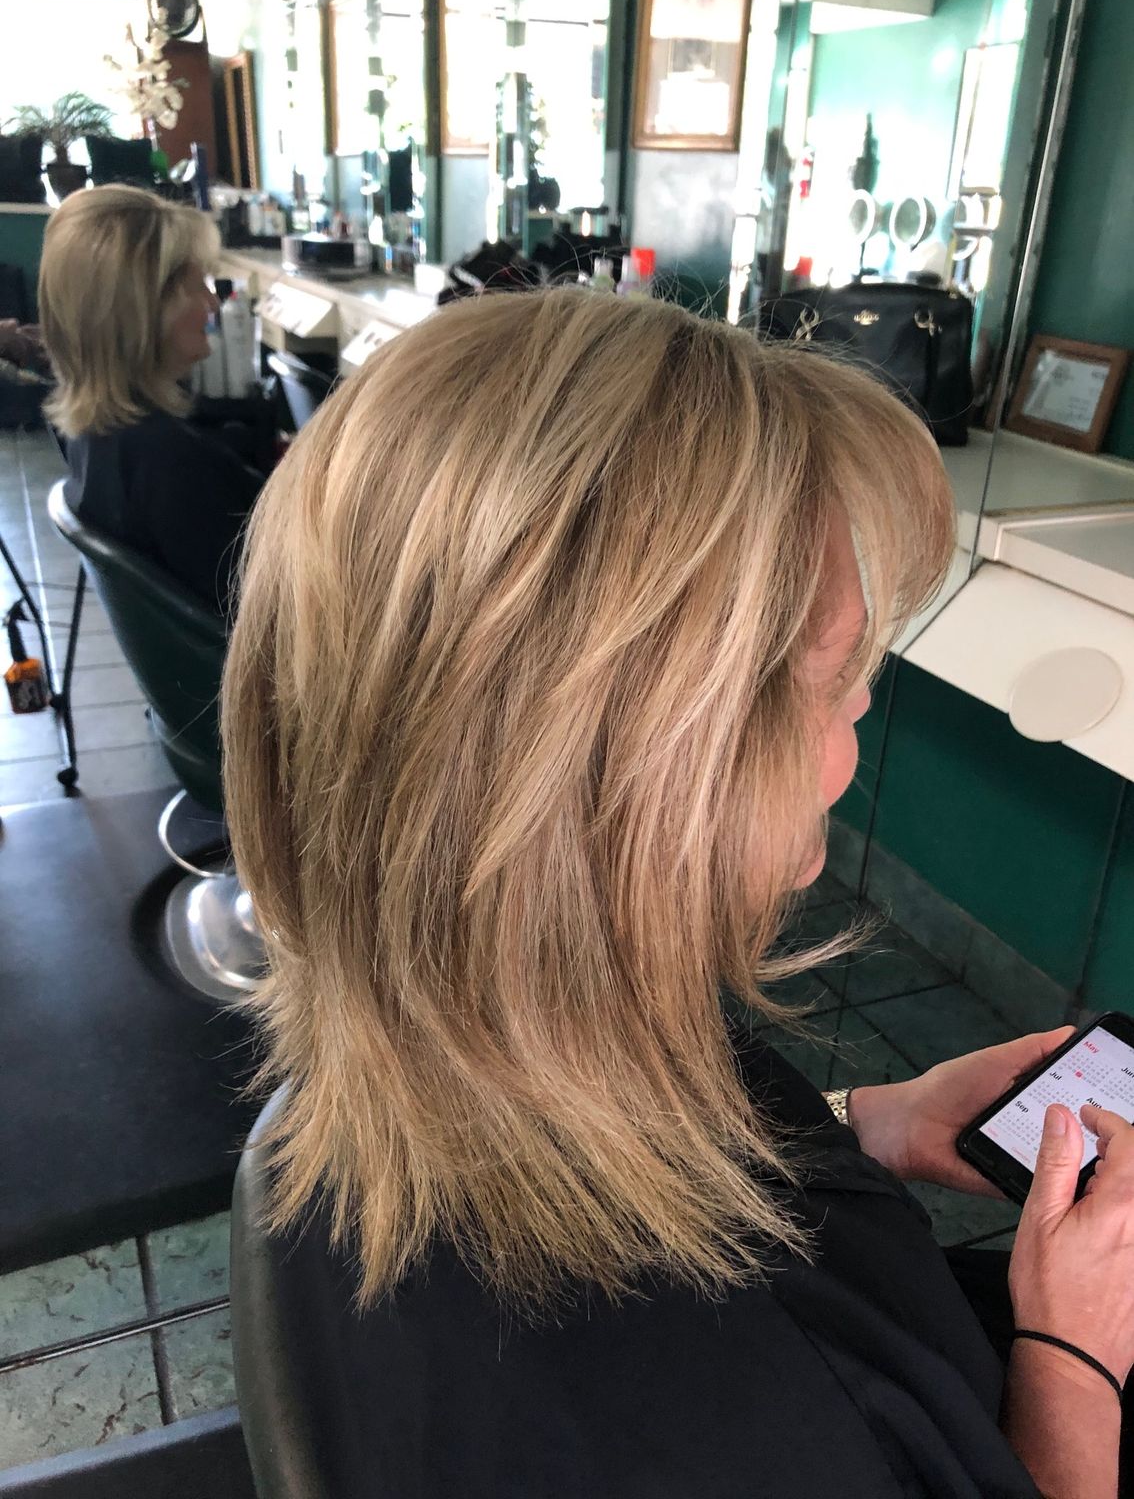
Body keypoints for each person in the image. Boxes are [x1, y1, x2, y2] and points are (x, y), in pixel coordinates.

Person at [221, 288, 1134, 1498]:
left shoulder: (384, 1070)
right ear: (656, 791)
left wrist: (870, 1121)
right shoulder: (749, 1413)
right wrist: (1075, 1360)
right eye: (834, 681)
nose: (859, 718)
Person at [38, 184, 263, 616]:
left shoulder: (95, 437)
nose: (213, 304)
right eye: (199, 286)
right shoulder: (169, 463)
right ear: (146, 311)